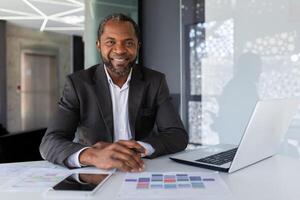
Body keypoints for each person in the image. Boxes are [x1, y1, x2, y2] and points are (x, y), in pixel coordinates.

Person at [39, 13, 188, 172]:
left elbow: (177, 135)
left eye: (129, 43)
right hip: (95, 171)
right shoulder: (78, 84)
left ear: (138, 45)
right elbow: (50, 142)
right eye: (111, 42)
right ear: (99, 45)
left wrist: (140, 148)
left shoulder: (155, 81)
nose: (120, 50)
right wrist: (93, 155)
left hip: (141, 168)